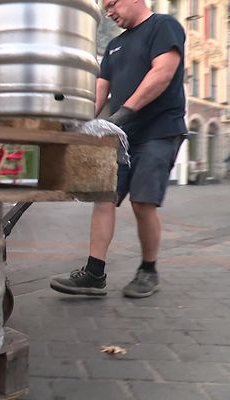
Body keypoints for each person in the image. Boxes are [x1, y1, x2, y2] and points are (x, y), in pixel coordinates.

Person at [50, 0, 187, 298]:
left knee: (142, 201)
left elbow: (162, 73)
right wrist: (81, 122)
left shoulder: (164, 26)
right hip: (122, 134)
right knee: (104, 197)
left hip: (159, 131)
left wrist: (125, 112)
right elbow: (100, 88)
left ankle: (148, 271)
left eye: (111, 3)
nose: (108, 12)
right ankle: (94, 274)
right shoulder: (114, 45)